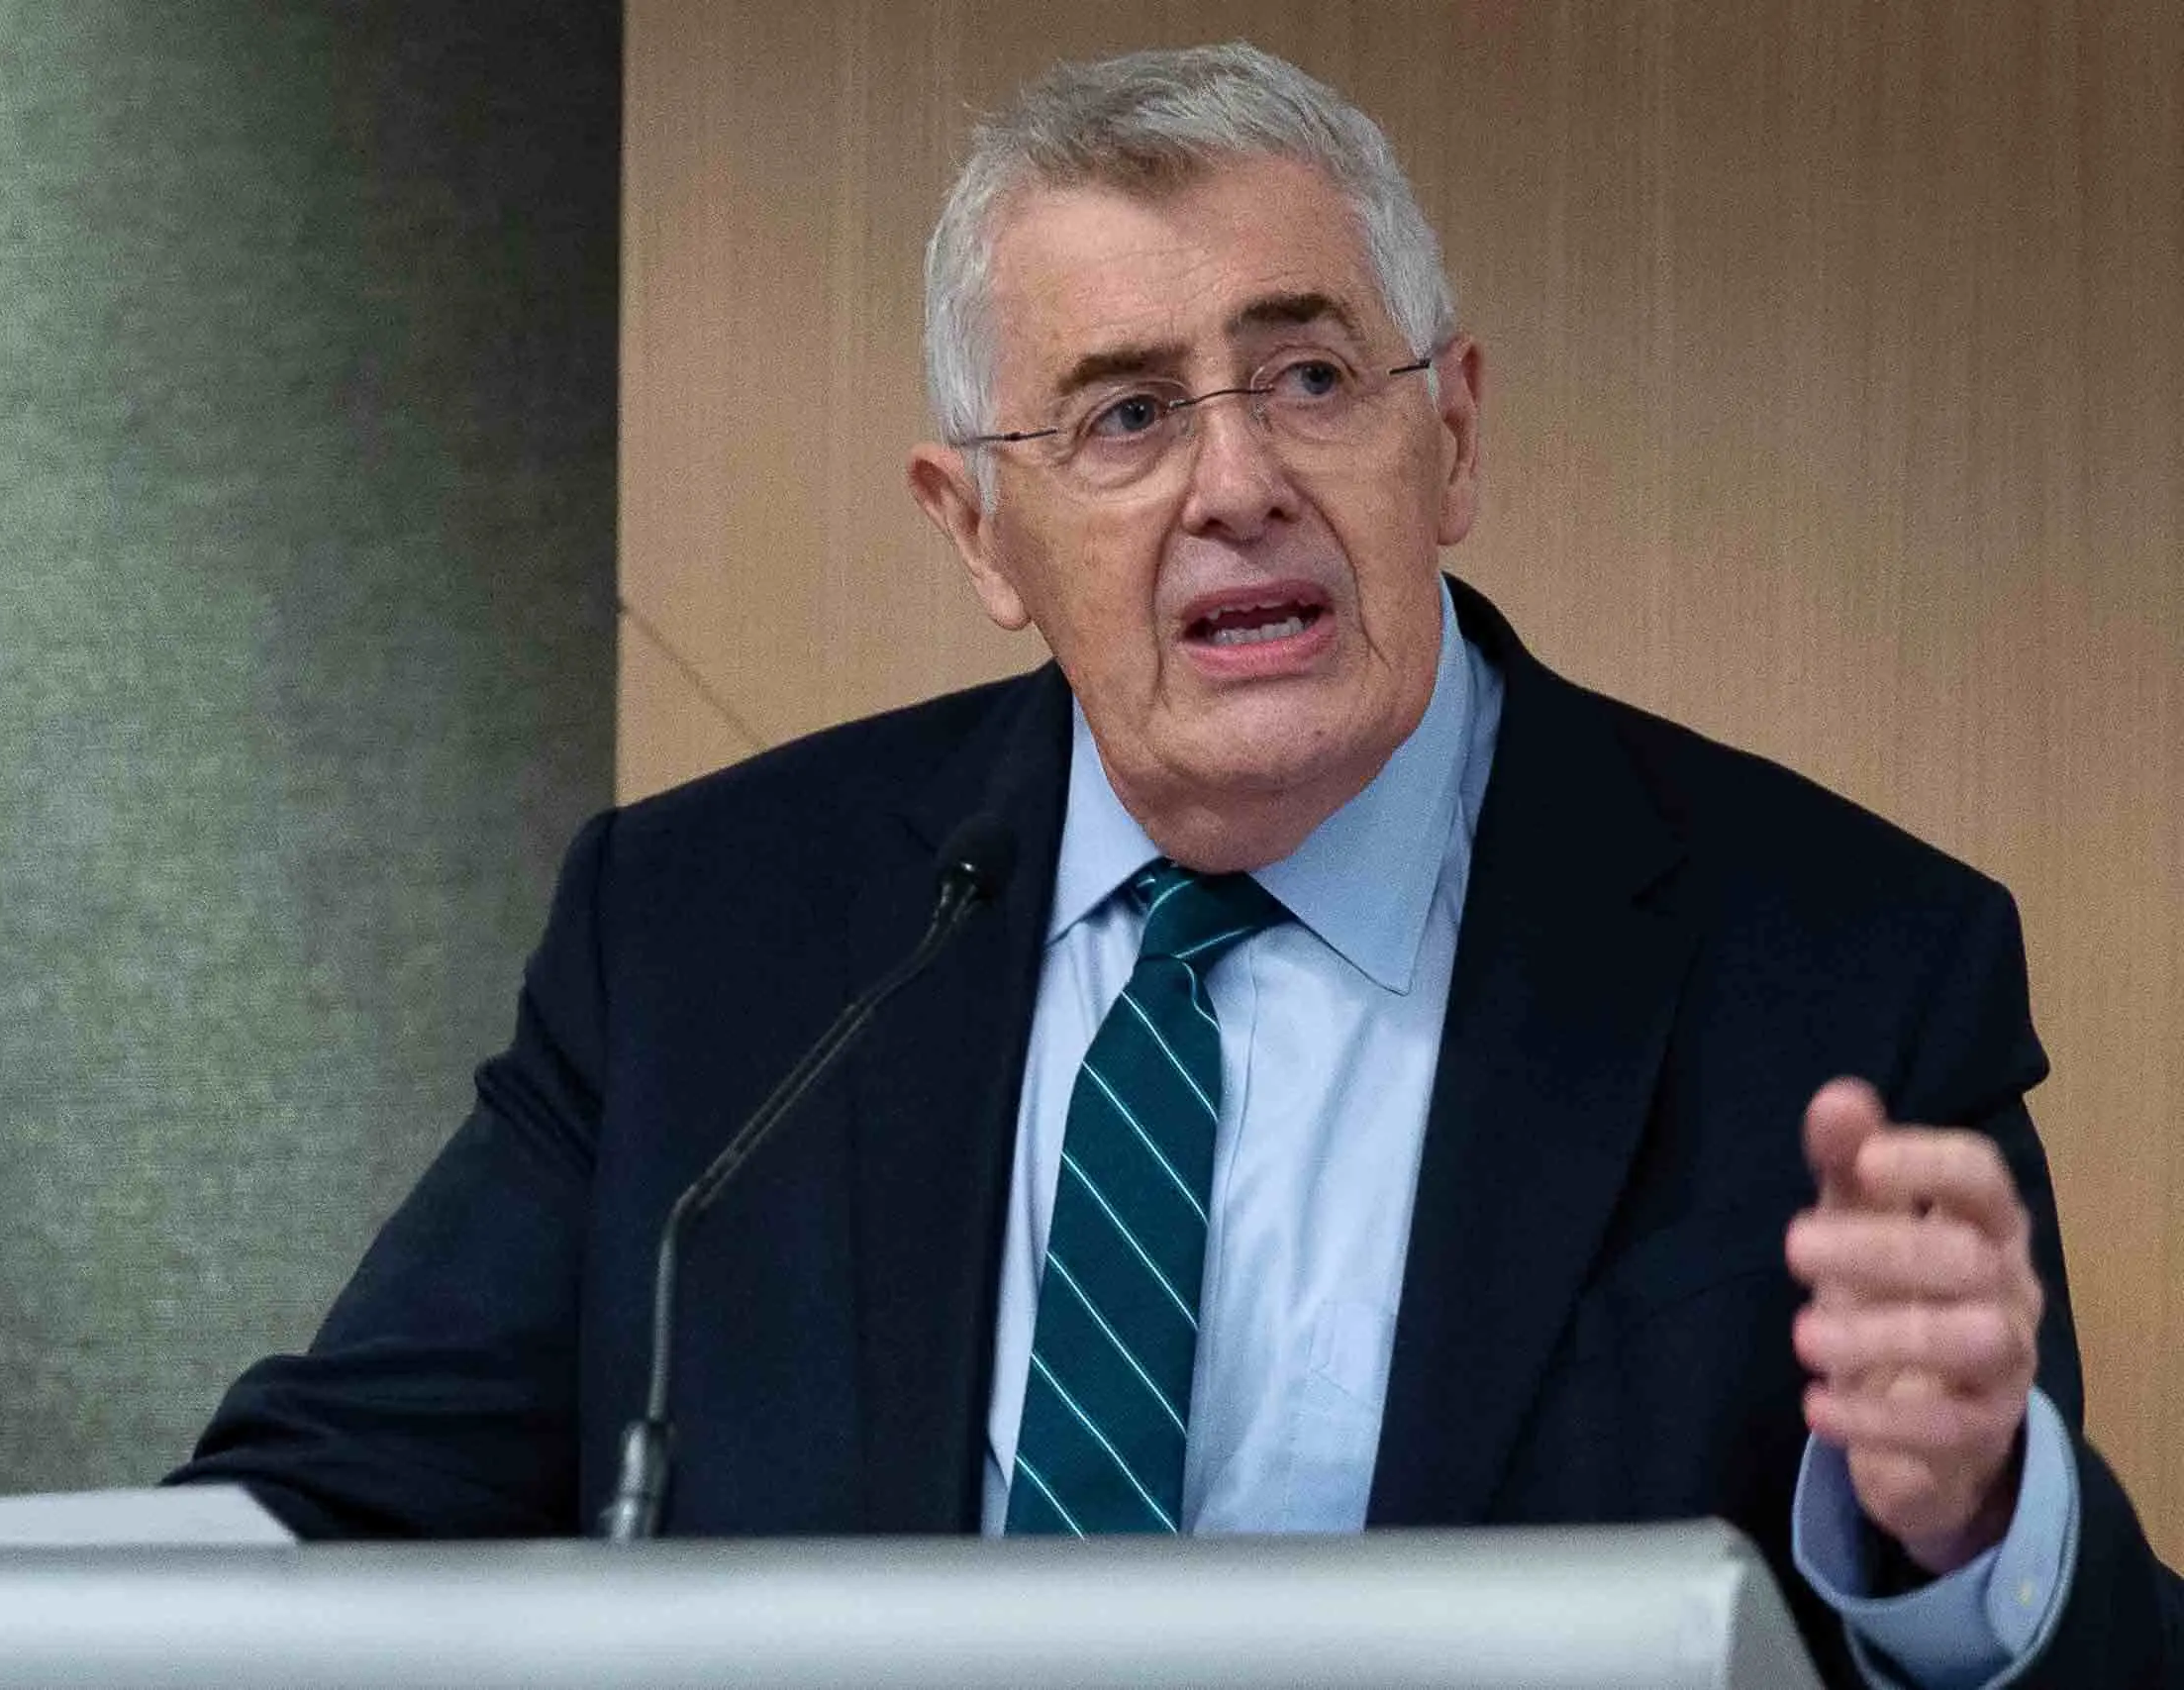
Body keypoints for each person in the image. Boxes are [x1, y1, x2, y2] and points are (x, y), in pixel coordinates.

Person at [173, 43, 2180, 1687]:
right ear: (976, 532)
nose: (1238, 483)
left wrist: (1966, 1527)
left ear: (1452, 435)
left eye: (1309, 377)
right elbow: (342, 1500)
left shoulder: (1840, 967)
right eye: (1124, 415)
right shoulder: (709, 941)